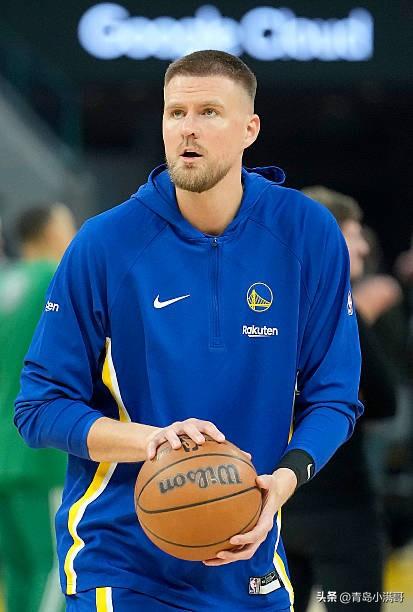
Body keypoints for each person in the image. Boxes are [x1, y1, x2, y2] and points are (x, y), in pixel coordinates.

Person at [15, 51, 363, 612]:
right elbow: (39, 407)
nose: (188, 129)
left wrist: (284, 481)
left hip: (251, 555)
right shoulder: (104, 244)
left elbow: (335, 395)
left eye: (209, 112)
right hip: (121, 562)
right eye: (175, 113)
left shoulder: (308, 233)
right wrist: (150, 442)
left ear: (250, 129)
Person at [282, 186, 398, 611]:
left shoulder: (261, 301)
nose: (363, 244)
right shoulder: (342, 310)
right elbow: (386, 401)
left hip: (274, 504)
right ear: (327, 236)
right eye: (353, 232)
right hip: (341, 511)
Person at [0, 203, 76, 612]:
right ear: (51, 233)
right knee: (54, 570)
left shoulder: (4, 282)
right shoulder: (54, 277)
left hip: (3, 456)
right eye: (69, 227)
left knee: (17, 573)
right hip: (38, 455)